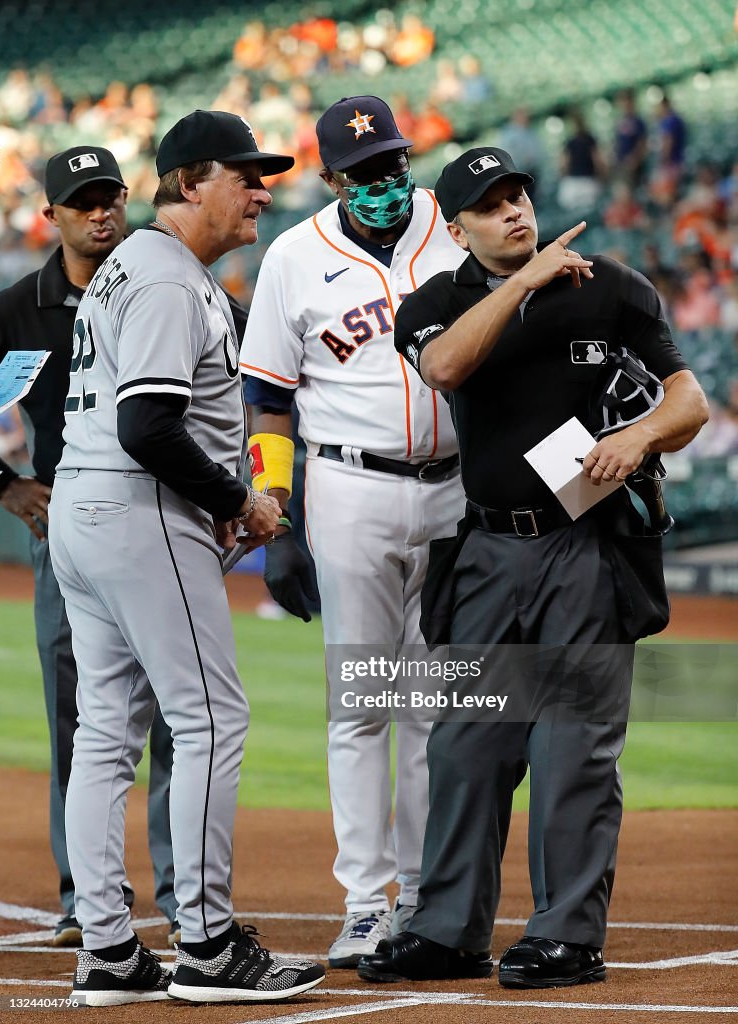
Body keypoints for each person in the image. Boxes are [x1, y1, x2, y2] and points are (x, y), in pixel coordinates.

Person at [357, 146, 708, 987]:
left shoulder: (613, 286)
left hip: (586, 547)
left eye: (520, 193)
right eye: (492, 204)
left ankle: (568, 934)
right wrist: (521, 284)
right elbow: (444, 368)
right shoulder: (433, 304)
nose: (515, 211)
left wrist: (639, 435)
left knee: (571, 748)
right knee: (466, 747)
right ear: (457, 225)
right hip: (485, 548)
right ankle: (447, 931)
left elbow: (688, 398)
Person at [47, 109, 325, 1005]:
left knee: (105, 733)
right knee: (210, 721)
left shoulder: (130, 266)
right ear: (187, 182)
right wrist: (239, 499)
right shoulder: (168, 278)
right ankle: (207, 947)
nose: (261, 189)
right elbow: (149, 424)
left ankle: (109, 950)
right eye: (243, 174)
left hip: (86, 512)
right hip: (139, 508)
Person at [239, 95, 466, 967]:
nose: (385, 181)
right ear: (333, 178)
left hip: (452, 491)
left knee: (434, 704)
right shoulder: (296, 256)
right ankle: (366, 901)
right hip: (347, 489)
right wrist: (279, 520)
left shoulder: (452, 226)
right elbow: (268, 396)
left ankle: (421, 893)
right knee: (365, 704)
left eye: (395, 163)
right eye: (364, 172)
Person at [0, 145, 180, 947]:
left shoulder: (165, 281)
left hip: (167, 516)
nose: (102, 212)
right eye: (83, 201)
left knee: (184, 714)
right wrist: (4, 486)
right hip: (66, 527)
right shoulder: (14, 310)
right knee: (78, 714)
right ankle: (85, 897)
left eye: (112, 197)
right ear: (53, 217)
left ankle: (182, 894)